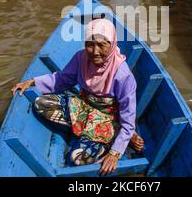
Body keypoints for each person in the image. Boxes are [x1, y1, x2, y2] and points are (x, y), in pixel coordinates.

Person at [12, 19, 145, 175]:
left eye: (102, 45)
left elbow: (128, 120)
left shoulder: (123, 76)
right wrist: (34, 81)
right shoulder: (80, 58)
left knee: (77, 158)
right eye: (90, 44)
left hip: (108, 121)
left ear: (112, 43)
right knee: (41, 103)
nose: (95, 52)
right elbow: (62, 80)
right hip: (84, 107)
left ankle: (116, 139)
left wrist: (115, 153)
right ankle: (83, 132)